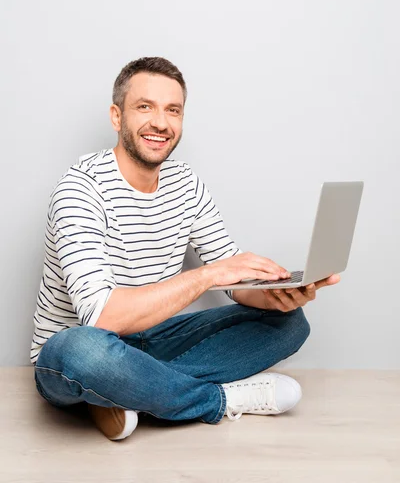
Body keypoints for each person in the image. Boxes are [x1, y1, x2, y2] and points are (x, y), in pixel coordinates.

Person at [31, 57, 340, 441]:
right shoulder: (79, 191)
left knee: (289, 325)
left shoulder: (185, 183)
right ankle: (218, 400)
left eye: (172, 110)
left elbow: (234, 282)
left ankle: (126, 392)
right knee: (83, 352)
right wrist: (208, 274)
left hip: (153, 344)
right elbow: (103, 317)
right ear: (116, 116)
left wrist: (274, 294)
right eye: (145, 107)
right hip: (78, 350)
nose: (161, 122)